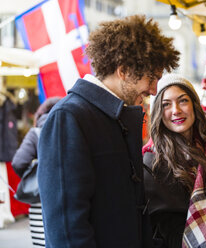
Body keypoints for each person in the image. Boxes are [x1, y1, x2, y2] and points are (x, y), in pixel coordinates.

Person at [37, 15, 179, 247]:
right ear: (123, 70)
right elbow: (66, 227)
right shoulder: (69, 117)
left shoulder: (115, 116)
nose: (154, 90)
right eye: (151, 78)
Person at [142, 74, 206, 248]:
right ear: (159, 113)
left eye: (182, 101)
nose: (176, 110)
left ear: (194, 105)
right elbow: (167, 232)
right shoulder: (153, 162)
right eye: (166, 104)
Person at [12, 97, 61, 248]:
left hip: (39, 202)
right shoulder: (72, 128)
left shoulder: (36, 133)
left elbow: (19, 162)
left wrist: (35, 177)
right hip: (67, 200)